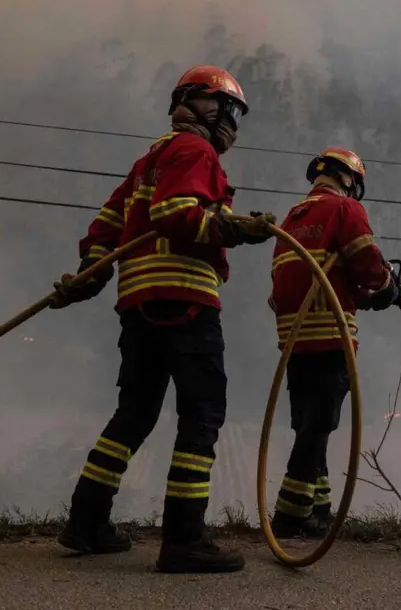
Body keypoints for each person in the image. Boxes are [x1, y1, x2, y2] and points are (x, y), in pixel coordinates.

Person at [48, 65, 278, 574]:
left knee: (134, 414)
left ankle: (86, 522)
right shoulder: (195, 152)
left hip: (138, 304)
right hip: (185, 299)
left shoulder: (148, 159)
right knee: (202, 415)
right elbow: (175, 214)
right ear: (204, 105)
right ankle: (184, 538)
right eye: (230, 110)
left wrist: (91, 271)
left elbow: (107, 225)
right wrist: (233, 229)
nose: (233, 124)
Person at [266, 147, 401, 539]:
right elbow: (368, 264)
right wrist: (389, 288)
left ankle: (319, 509)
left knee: (310, 425)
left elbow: (304, 280)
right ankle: (289, 515)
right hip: (330, 335)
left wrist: (358, 295)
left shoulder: (293, 218)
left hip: (294, 341)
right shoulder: (345, 210)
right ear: (349, 180)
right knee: (319, 426)